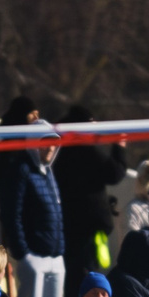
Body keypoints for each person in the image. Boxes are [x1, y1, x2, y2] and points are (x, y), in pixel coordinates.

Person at [0, 98, 65, 297]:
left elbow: (57, 214)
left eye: (53, 142)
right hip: (33, 256)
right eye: (45, 141)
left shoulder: (49, 173)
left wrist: (60, 250)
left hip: (55, 256)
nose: (49, 148)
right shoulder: (21, 171)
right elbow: (12, 213)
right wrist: (23, 253)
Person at [53, 104, 125, 281]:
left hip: (70, 223)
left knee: (74, 273)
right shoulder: (86, 150)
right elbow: (114, 173)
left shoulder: (63, 150)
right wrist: (119, 148)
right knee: (85, 274)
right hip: (88, 227)